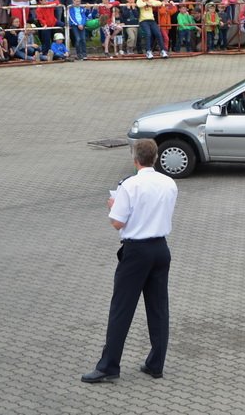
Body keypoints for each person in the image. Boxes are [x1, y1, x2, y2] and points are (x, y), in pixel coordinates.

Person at [82, 139, 178, 384]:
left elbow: (117, 222)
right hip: (161, 249)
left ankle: (109, 366)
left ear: (135, 159)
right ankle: (156, 364)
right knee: (158, 309)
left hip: (136, 252)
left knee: (121, 309)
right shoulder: (169, 182)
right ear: (155, 158)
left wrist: (113, 206)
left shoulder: (130, 185)